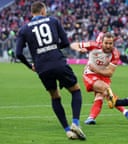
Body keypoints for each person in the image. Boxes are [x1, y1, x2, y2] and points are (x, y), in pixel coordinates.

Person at [15, 1, 86, 140]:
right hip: (57, 61)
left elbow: (18, 54)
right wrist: (53, 47)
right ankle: (75, 123)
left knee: (55, 96)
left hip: (41, 66)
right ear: (43, 11)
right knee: (76, 90)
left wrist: (31, 66)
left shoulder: (24, 29)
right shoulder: (53, 20)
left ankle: (67, 130)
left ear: (32, 12)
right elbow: (65, 43)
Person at [70, 32, 128, 125]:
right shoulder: (93, 45)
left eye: (110, 43)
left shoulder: (115, 54)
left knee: (100, 95)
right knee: (105, 89)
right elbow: (73, 44)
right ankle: (124, 110)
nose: (108, 46)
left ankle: (91, 118)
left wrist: (96, 69)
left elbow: (110, 73)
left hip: (103, 75)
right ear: (101, 42)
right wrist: (79, 49)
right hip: (90, 74)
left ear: (113, 43)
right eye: (106, 43)